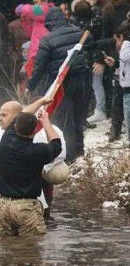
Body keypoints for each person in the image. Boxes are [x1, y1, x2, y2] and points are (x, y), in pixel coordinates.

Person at [28, 7, 93, 161]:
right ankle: (79, 151)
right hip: (82, 82)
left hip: (61, 85)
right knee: (78, 118)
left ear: (50, 23)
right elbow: (90, 51)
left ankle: (69, 157)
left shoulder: (47, 40)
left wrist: (30, 86)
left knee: (65, 120)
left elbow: (39, 68)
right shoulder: (81, 34)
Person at [0, 109, 62, 237]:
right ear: (35, 131)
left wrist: (40, 102)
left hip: (2, 205)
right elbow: (56, 144)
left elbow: (22, 112)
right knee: (31, 251)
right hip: (26, 207)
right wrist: (46, 121)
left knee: (4, 250)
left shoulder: (6, 140)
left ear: (15, 126)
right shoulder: (38, 151)